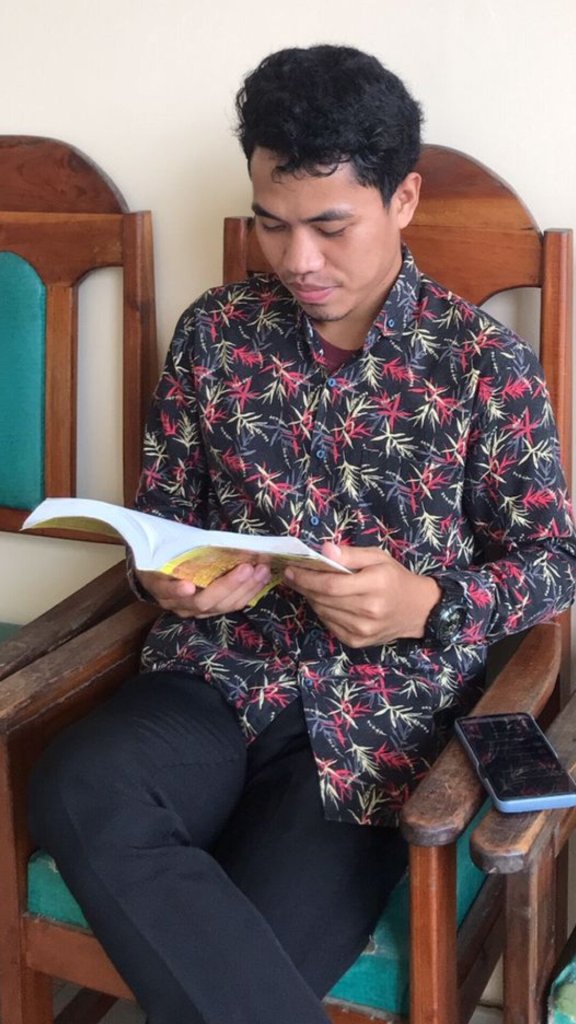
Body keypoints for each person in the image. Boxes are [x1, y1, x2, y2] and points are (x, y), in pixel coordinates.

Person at [29, 44, 576, 1024]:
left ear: (402, 199)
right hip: (212, 677)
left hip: (373, 731)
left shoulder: (483, 365)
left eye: (330, 226)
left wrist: (428, 601)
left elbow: (555, 561)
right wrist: (168, 581)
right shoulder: (215, 333)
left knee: (252, 956)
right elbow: (165, 509)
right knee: (78, 785)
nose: (298, 261)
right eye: (272, 224)